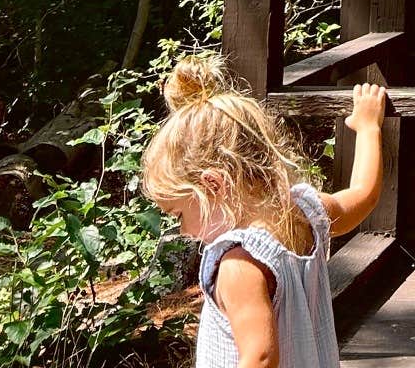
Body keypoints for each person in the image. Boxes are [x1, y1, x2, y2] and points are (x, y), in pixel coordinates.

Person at [142, 53, 387, 368]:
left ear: (213, 186)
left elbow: (261, 358)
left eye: (179, 215)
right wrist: (368, 129)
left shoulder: (238, 266)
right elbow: (363, 195)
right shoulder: (305, 213)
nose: (183, 231)